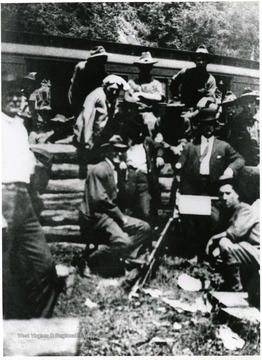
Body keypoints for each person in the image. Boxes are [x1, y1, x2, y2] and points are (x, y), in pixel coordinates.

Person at [2, 79, 61, 319]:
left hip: (23, 198)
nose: (16, 99)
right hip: (2, 198)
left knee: (44, 265)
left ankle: (39, 328)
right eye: (9, 94)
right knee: (5, 270)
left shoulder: (20, 127)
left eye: (20, 95)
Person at [175, 107, 245, 260]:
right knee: (191, 221)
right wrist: (179, 168)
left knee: (213, 220)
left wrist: (230, 169)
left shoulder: (223, 146)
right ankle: (193, 253)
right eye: (205, 125)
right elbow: (180, 164)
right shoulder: (191, 146)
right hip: (194, 189)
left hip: (213, 188)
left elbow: (240, 160)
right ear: (200, 126)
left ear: (215, 126)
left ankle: (211, 252)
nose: (208, 127)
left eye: (211, 124)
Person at [78, 137, 151, 279]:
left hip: (110, 215)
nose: (118, 154)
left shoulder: (118, 169)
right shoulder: (99, 169)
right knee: (123, 241)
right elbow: (100, 199)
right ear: (107, 153)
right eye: (114, 151)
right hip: (96, 216)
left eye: (122, 150)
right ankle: (89, 260)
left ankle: (123, 257)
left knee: (144, 228)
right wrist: (121, 216)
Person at [206, 176, 260, 297]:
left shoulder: (245, 209)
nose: (224, 198)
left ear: (237, 194)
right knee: (221, 249)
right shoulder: (229, 212)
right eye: (221, 194)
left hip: (257, 251)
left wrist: (212, 240)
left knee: (224, 243)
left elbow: (234, 233)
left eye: (228, 193)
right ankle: (227, 283)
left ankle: (236, 290)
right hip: (246, 250)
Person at [73, 74, 130, 178]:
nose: (114, 92)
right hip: (88, 136)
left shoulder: (112, 97)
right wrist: (85, 141)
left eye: (117, 91)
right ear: (105, 87)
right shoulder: (95, 96)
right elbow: (86, 118)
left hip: (101, 137)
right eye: (111, 89)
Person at [120, 118, 165, 226]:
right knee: (127, 208)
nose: (134, 133)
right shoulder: (124, 142)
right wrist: (121, 162)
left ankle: (147, 236)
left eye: (136, 130)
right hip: (129, 176)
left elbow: (159, 147)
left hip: (143, 178)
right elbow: (114, 152)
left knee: (146, 210)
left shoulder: (146, 141)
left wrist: (159, 157)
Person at [124, 51, 165, 137]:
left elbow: (160, 97)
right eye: (143, 67)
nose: (145, 69)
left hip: (150, 115)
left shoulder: (156, 83)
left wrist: (141, 95)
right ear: (139, 67)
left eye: (148, 66)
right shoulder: (132, 83)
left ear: (151, 67)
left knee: (150, 139)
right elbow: (127, 97)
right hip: (135, 115)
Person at [169, 45, 217, 109]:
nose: (201, 62)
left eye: (204, 60)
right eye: (198, 60)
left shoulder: (210, 79)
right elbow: (174, 83)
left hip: (199, 110)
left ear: (207, 61)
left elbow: (210, 96)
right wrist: (176, 96)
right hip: (184, 107)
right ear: (195, 61)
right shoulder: (186, 73)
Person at [68, 45, 108, 118]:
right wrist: (75, 105)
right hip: (81, 99)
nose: (105, 60)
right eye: (102, 58)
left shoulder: (102, 71)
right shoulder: (81, 67)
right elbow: (74, 87)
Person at [228, 88, 259, 166]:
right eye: (245, 103)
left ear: (255, 103)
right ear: (242, 105)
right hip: (245, 162)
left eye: (251, 102)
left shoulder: (259, 120)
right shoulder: (237, 121)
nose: (249, 106)